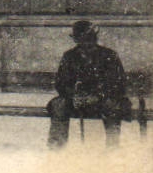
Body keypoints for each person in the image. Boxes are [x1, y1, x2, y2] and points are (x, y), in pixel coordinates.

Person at [49, 19, 131, 148]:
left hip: (103, 99)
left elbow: (118, 83)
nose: (86, 43)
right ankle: (57, 151)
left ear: (95, 38)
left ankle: (113, 150)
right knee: (58, 105)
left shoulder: (109, 55)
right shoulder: (69, 56)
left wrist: (97, 96)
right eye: (81, 39)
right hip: (77, 101)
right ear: (76, 40)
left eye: (89, 38)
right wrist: (73, 96)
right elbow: (61, 83)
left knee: (113, 106)